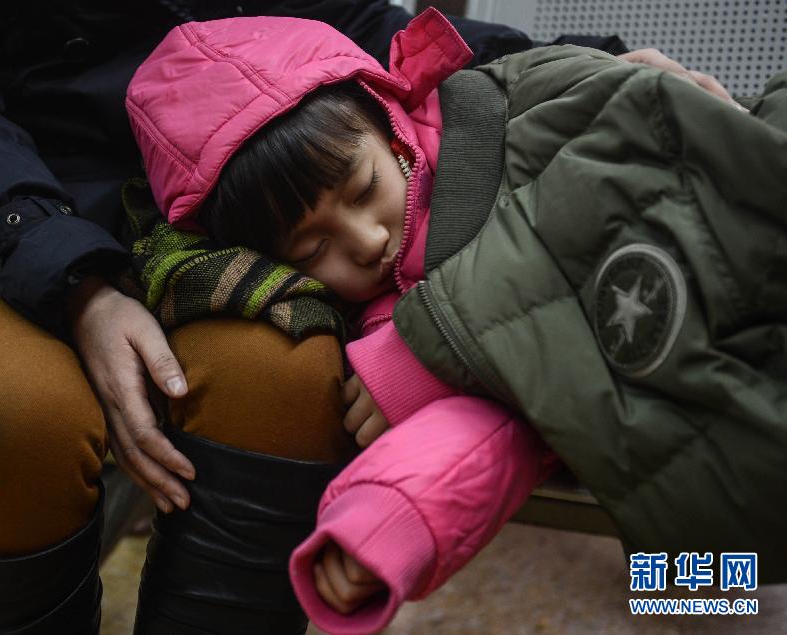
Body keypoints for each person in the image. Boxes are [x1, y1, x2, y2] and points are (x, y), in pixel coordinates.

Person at [0, 2, 637, 633]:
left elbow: (356, 25)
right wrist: (68, 277)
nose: (376, 241)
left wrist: (614, 70)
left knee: (283, 374)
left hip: (227, 215)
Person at [125, 8, 787, 633]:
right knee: (689, 555)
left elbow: (631, 171)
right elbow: (487, 428)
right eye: (313, 249)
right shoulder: (387, 320)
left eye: (363, 189)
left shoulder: (506, 106)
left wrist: (432, 343)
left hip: (741, 222)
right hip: (689, 405)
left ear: (389, 124)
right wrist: (384, 521)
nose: (363, 240)